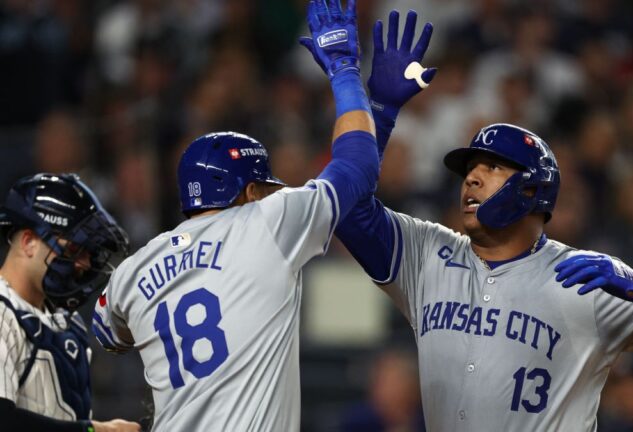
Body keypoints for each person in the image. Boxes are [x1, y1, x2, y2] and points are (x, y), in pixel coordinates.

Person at [332, 11, 633, 431]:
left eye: (492, 168)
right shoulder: (427, 254)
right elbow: (341, 208)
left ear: (532, 190)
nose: (471, 177)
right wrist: (378, 112)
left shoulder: (585, 279)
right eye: (470, 168)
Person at [91, 1, 379, 430]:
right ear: (248, 191)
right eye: (264, 187)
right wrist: (344, 70)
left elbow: (107, 334)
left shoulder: (133, 269)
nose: (270, 194)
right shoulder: (269, 220)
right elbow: (359, 164)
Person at [0, 173, 139, 432]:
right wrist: (94, 430)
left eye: (87, 253)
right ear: (29, 242)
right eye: (73, 250)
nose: (83, 264)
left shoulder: (67, 320)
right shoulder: (3, 314)